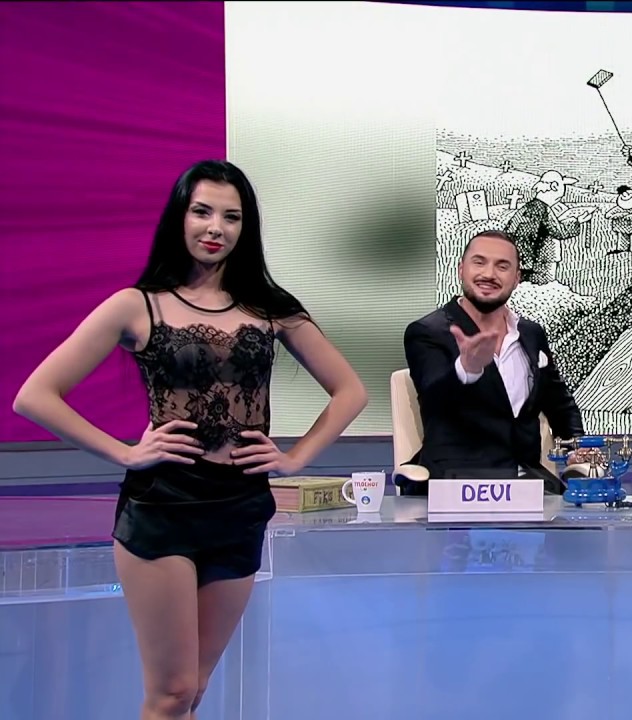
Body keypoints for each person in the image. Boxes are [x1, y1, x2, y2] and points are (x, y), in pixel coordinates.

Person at [12, 160, 368, 719]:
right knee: (172, 691)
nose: (215, 227)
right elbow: (35, 395)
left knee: (194, 689)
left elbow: (350, 390)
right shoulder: (138, 305)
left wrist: (295, 457)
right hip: (164, 505)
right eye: (202, 211)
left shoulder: (270, 309)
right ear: (180, 216)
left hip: (241, 505)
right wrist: (125, 452)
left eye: (231, 217)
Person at [400, 230, 584, 495]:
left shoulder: (531, 334)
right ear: (461, 270)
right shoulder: (428, 332)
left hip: (528, 482)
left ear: (517, 278)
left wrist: (576, 449)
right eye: (479, 262)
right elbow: (433, 396)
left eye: (502, 266)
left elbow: (560, 405)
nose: (489, 274)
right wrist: (467, 370)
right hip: (456, 486)